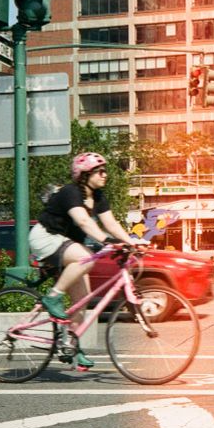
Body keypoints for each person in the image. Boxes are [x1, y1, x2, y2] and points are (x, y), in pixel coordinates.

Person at [28, 152, 144, 369]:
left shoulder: (98, 197)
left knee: (82, 300)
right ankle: (52, 298)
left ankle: (71, 345)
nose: (105, 175)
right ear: (85, 174)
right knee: (86, 258)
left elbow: (111, 223)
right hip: (44, 237)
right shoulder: (70, 192)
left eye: (105, 170)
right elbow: (83, 221)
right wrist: (106, 240)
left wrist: (132, 242)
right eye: (100, 171)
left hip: (65, 245)